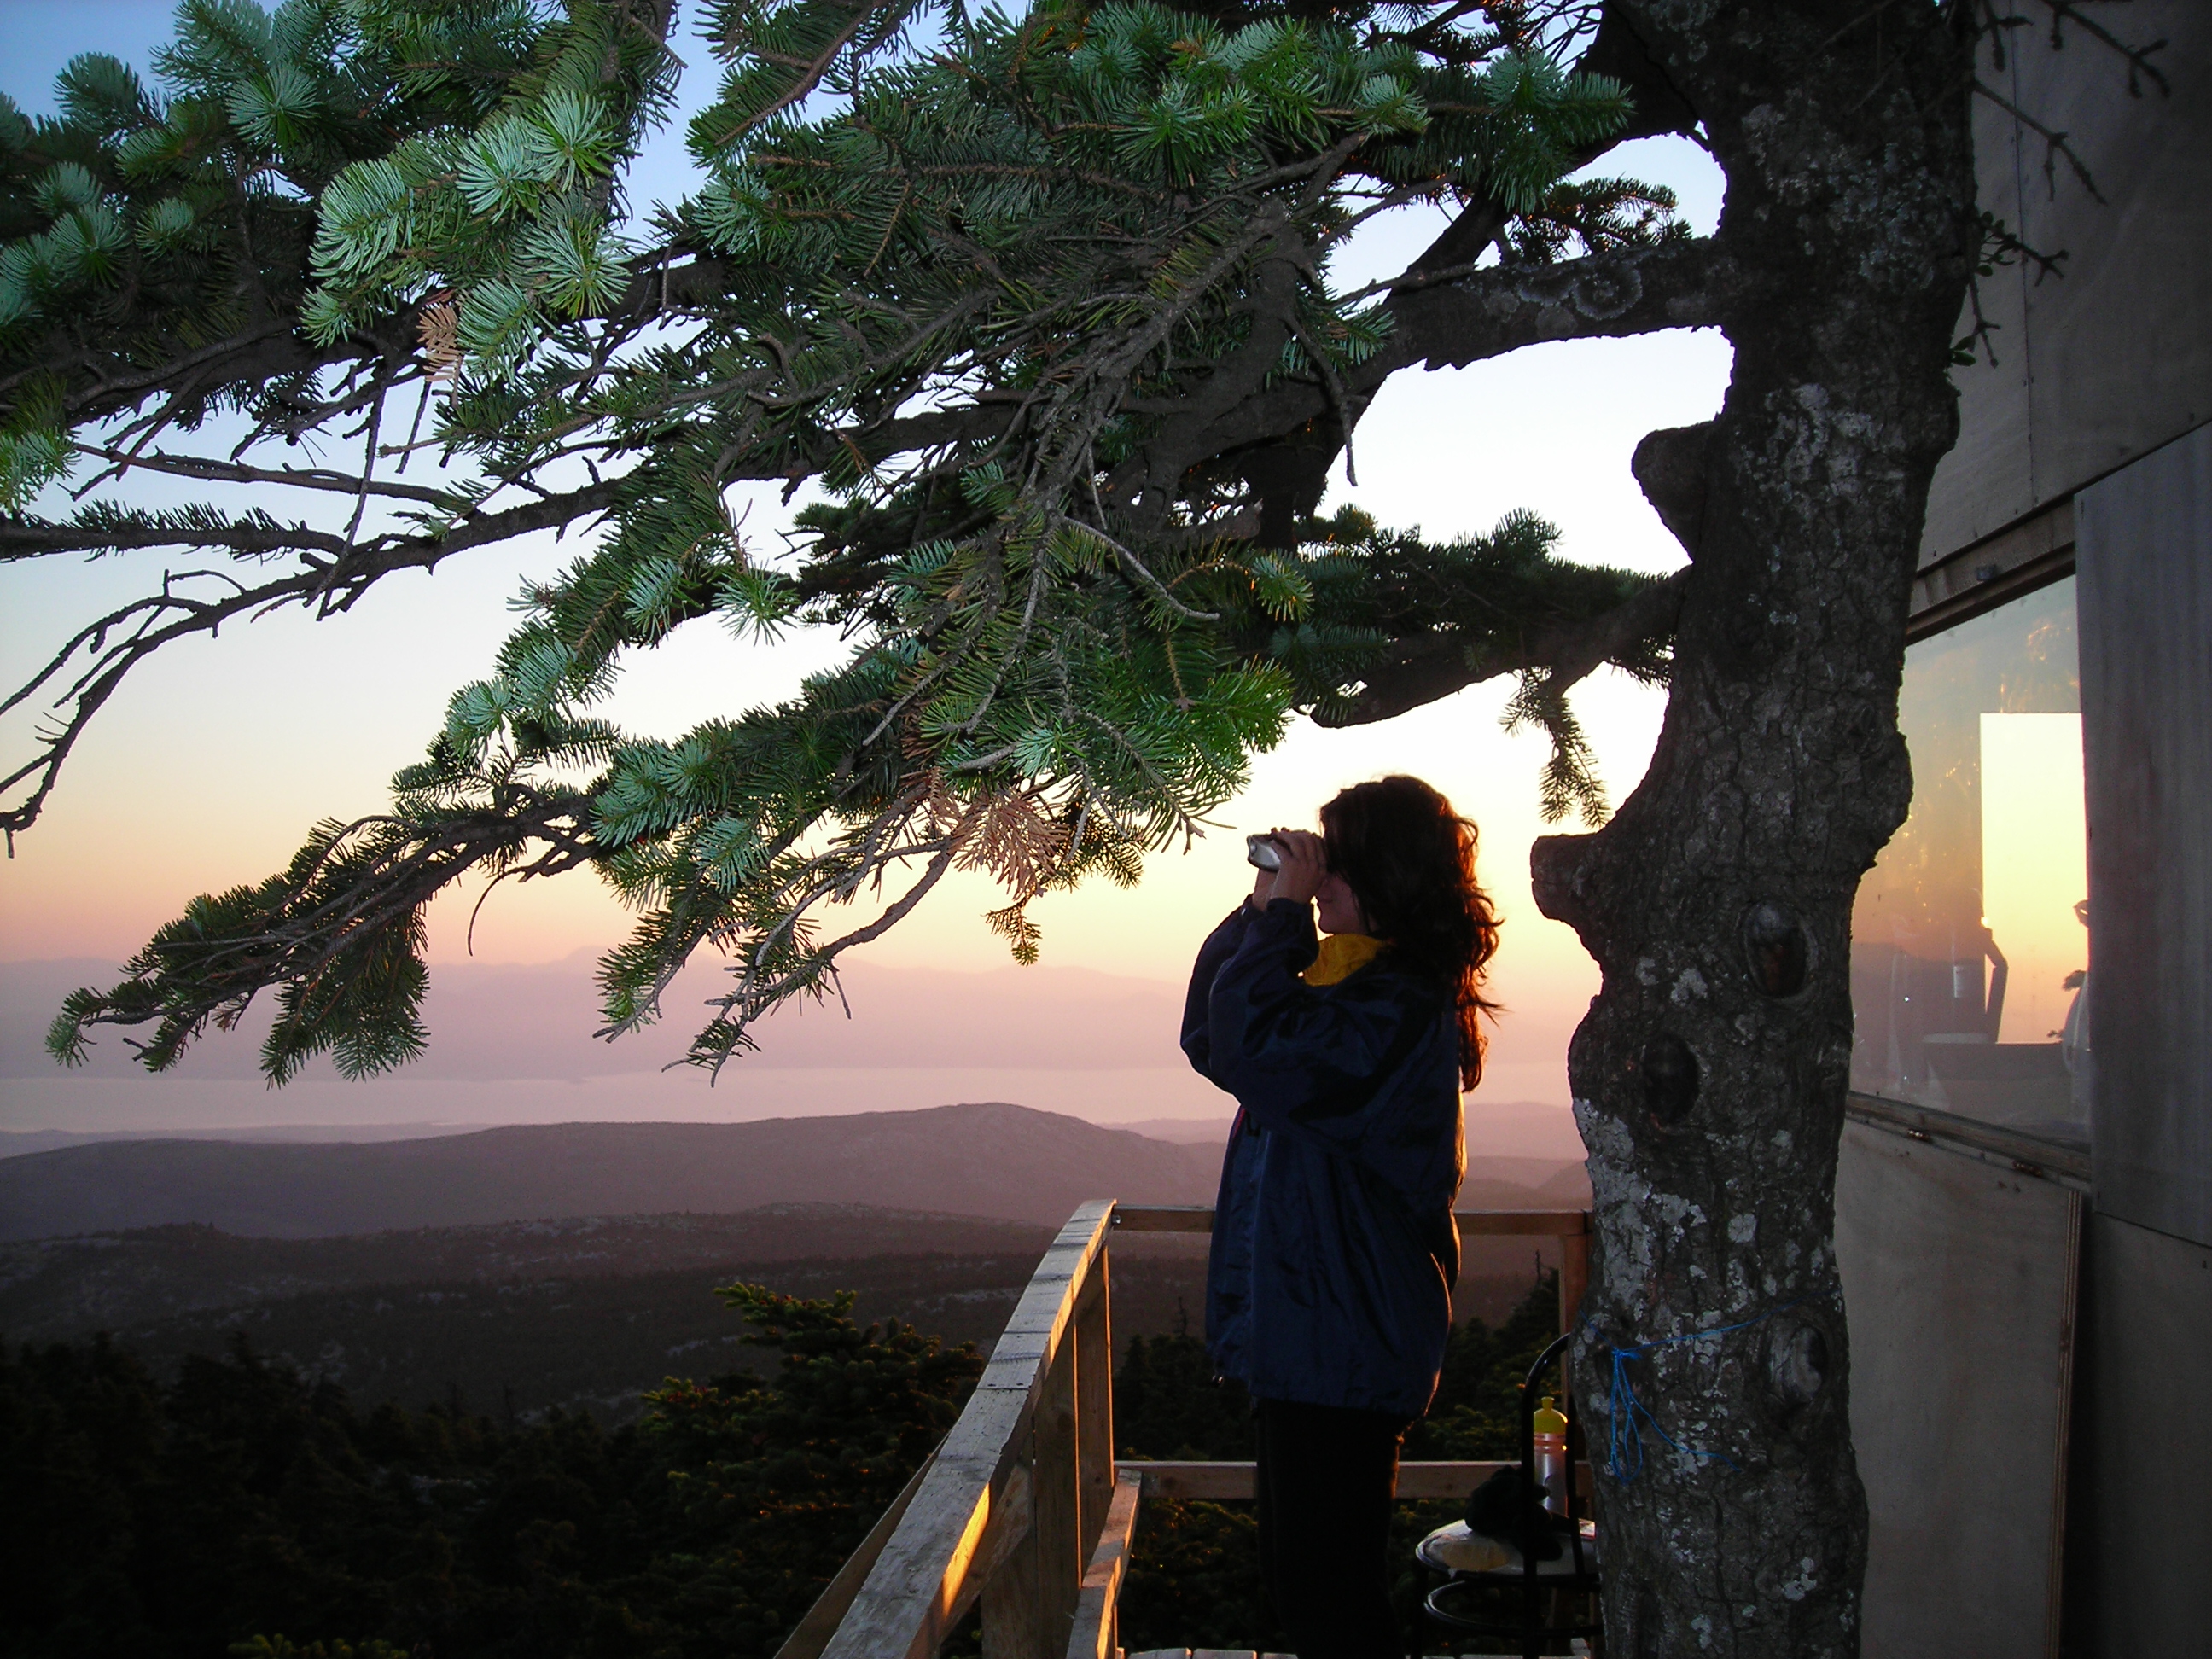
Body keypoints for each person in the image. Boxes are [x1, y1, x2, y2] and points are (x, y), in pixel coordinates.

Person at [1180, 775, 1499, 1659]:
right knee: (1309, 1588)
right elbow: (1214, 1040)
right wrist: (1260, 911)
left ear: (1381, 874)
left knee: (1331, 1602)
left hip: (1341, 1340)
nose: (1318, 886)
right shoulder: (1357, 989)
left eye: (1333, 866)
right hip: (1312, 1336)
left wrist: (1281, 922)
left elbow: (1250, 1040)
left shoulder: (1391, 1007)